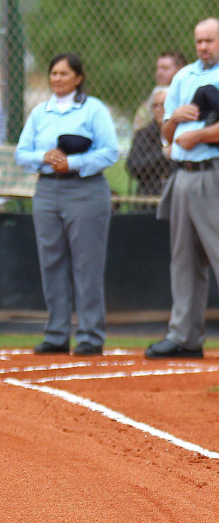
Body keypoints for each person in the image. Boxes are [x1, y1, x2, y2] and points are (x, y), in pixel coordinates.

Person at [145, 18, 219, 361]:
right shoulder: (183, 76)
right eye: (198, 41)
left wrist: (196, 135)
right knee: (183, 259)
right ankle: (184, 336)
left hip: (215, 171)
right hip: (182, 174)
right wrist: (175, 119)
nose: (203, 47)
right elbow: (167, 133)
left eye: (210, 40)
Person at [16, 53, 118, 356]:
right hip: (47, 190)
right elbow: (22, 154)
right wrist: (43, 157)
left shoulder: (93, 109)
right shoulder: (40, 112)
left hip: (85, 190)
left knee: (87, 265)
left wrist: (72, 162)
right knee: (51, 263)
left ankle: (89, 335)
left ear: (78, 77)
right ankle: (57, 333)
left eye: (64, 73)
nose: (57, 78)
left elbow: (110, 151)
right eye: (54, 73)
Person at [126, 87, 174, 195]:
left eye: (163, 105)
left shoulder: (181, 134)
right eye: (155, 106)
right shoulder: (143, 135)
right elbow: (133, 166)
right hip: (149, 193)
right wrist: (163, 154)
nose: (159, 109)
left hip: (175, 192)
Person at [132, 51, 186, 131]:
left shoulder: (187, 94)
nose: (159, 73)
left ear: (180, 69)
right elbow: (139, 125)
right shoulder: (154, 95)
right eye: (158, 68)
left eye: (165, 68)